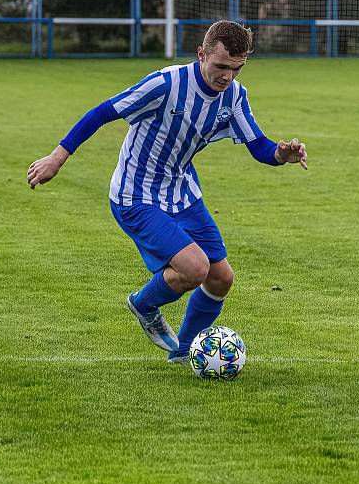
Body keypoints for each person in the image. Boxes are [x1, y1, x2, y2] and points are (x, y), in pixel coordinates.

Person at [27, 20, 308, 365]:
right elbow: (103, 112)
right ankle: (144, 304)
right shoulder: (165, 84)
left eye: (237, 68)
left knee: (221, 278)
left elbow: (259, 147)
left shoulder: (235, 96)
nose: (228, 77)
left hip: (182, 193)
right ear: (201, 54)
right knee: (194, 268)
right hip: (136, 195)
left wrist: (282, 154)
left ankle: (182, 352)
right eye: (221, 66)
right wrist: (57, 158)